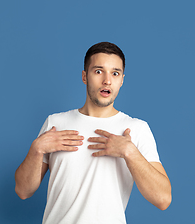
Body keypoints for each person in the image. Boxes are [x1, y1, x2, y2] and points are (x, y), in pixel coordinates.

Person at [15, 42, 172, 224]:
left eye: (115, 73)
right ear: (84, 76)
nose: (107, 80)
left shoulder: (136, 129)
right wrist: (36, 149)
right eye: (98, 71)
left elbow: (163, 199)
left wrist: (130, 152)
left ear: (121, 80)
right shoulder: (55, 123)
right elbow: (23, 190)